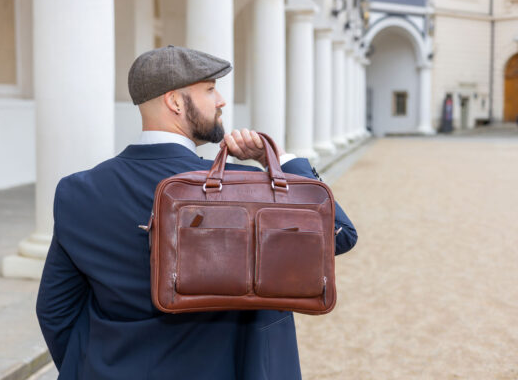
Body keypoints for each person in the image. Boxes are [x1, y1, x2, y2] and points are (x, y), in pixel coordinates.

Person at [36, 45, 357, 380]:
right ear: (175, 102)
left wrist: (87, 367)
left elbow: (54, 309)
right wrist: (280, 160)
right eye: (209, 89)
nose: (220, 101)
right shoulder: (247, 188)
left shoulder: (78, 191)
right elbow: (341, 233)